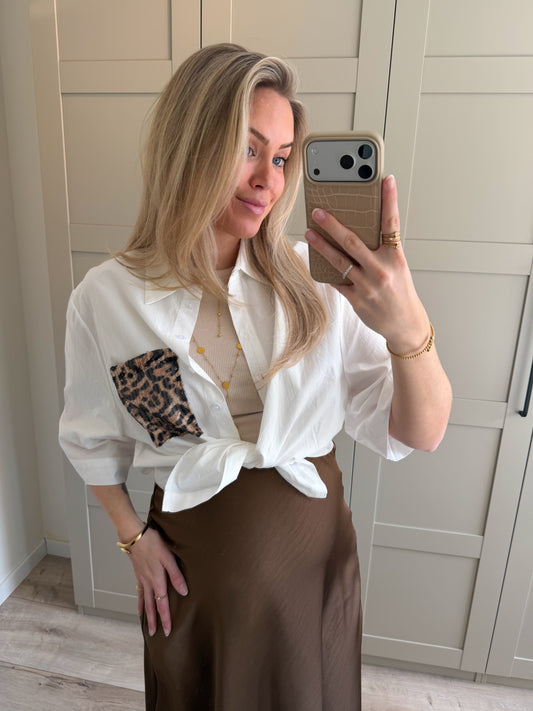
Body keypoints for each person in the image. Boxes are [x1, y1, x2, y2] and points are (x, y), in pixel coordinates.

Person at [59, 43, 452, 711]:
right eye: (247, 149)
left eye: (281, 157)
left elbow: (421, 431)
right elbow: (91, 440)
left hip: (312, 565)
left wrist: (407, 326)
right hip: (196, 580)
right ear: (189, 144)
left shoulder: (318, 285)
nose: (268, 180)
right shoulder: (107, 299)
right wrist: (132, 539)